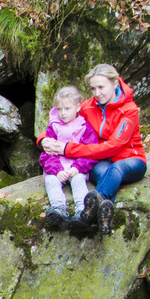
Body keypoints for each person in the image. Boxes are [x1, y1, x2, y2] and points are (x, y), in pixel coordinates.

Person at [40, 63, 146, 237]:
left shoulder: (129, 110)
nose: (97, 93)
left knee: (116, 168)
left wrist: (68, 149)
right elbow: (62, 124)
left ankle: (93, 204)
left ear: (115, 83)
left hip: (131, 160)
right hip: (101, 161)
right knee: (100, 171)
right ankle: (101, 217)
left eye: (101, 87)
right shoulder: (89, 106)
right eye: (93, 88)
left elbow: (114, 146)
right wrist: (42, 140)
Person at [38, 85, 98, 231]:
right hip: (58, 167)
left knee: (78, 181)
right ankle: (58, 209)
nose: (63, 113)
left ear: (78, 107)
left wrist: (78, 168)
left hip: (76, 168)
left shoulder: (84, 127)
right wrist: (56, 170)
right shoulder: (53, 127)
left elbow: (90, 152)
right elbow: (48, 153)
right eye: (59, 109)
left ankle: (81, 210)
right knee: (51, 180)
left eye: (67, 109)